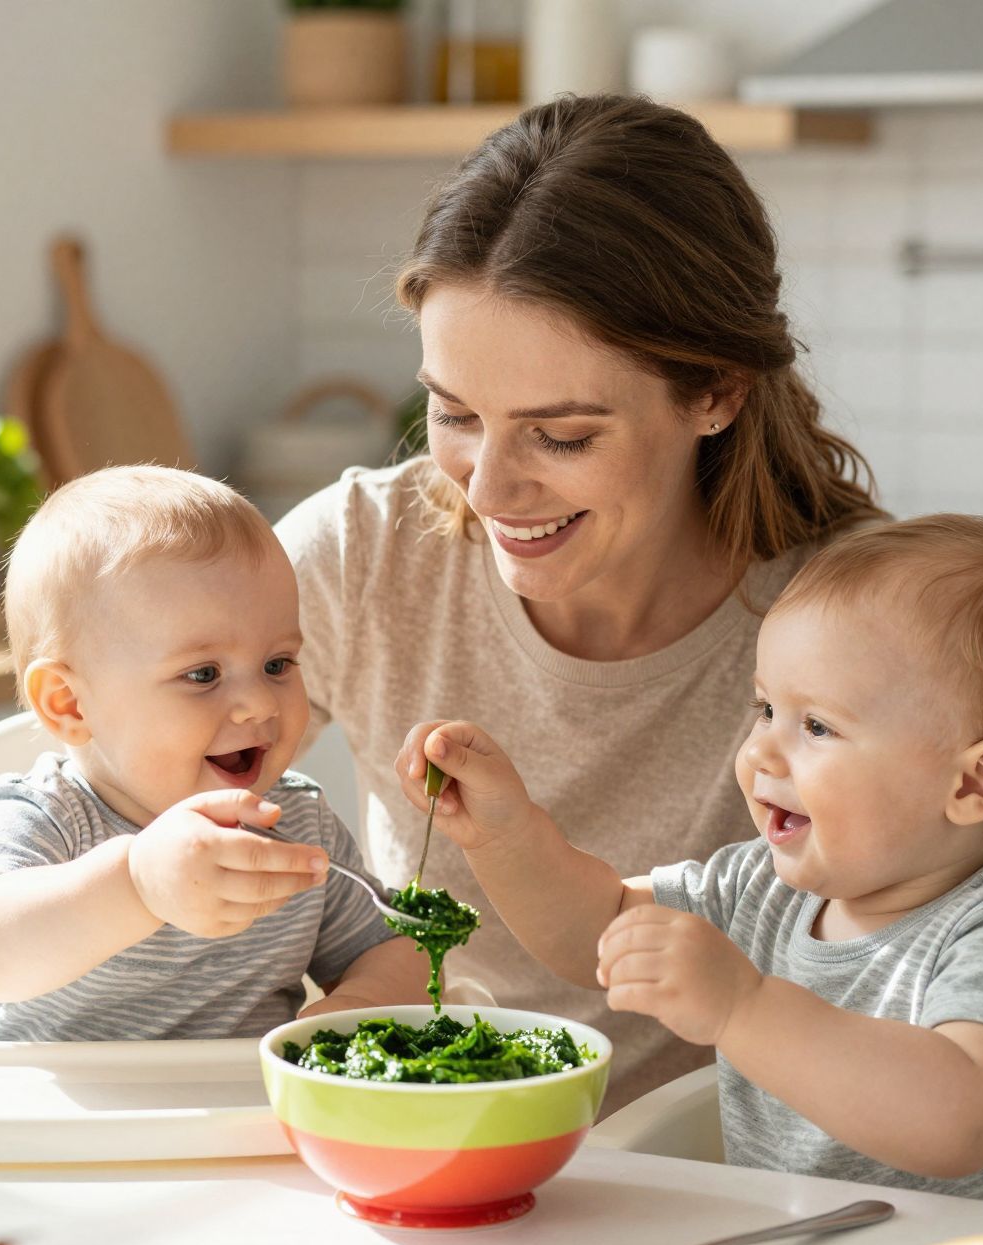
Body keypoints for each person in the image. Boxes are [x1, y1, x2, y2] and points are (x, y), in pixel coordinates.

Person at [277, 94, 882, 1112]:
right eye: (454, 415)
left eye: (560, 436)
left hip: (721, 1180)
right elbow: (103, 799)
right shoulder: (363, 556)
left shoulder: (849, 617)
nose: (486, 489)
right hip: (423, 1130)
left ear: (715, 394)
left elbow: (904, 978)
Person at [397, 516, 983, 1213]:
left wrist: (743, 1006)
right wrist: (504, 834)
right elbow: (600, 931)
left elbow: (960, 1120)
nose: (761, 751)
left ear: (973, 784)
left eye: (816, 726)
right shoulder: (759, 887)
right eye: (765, 708)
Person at [0, 466, 427, 1043]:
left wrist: (360, 1003)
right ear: (69, 703)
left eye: (277, 664)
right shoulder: (46, 819)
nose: (257, 704)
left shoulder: (295, 825)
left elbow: (395, 949)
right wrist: (137, 883)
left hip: (230, 1122)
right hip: (39, 1121)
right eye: (203, 674)